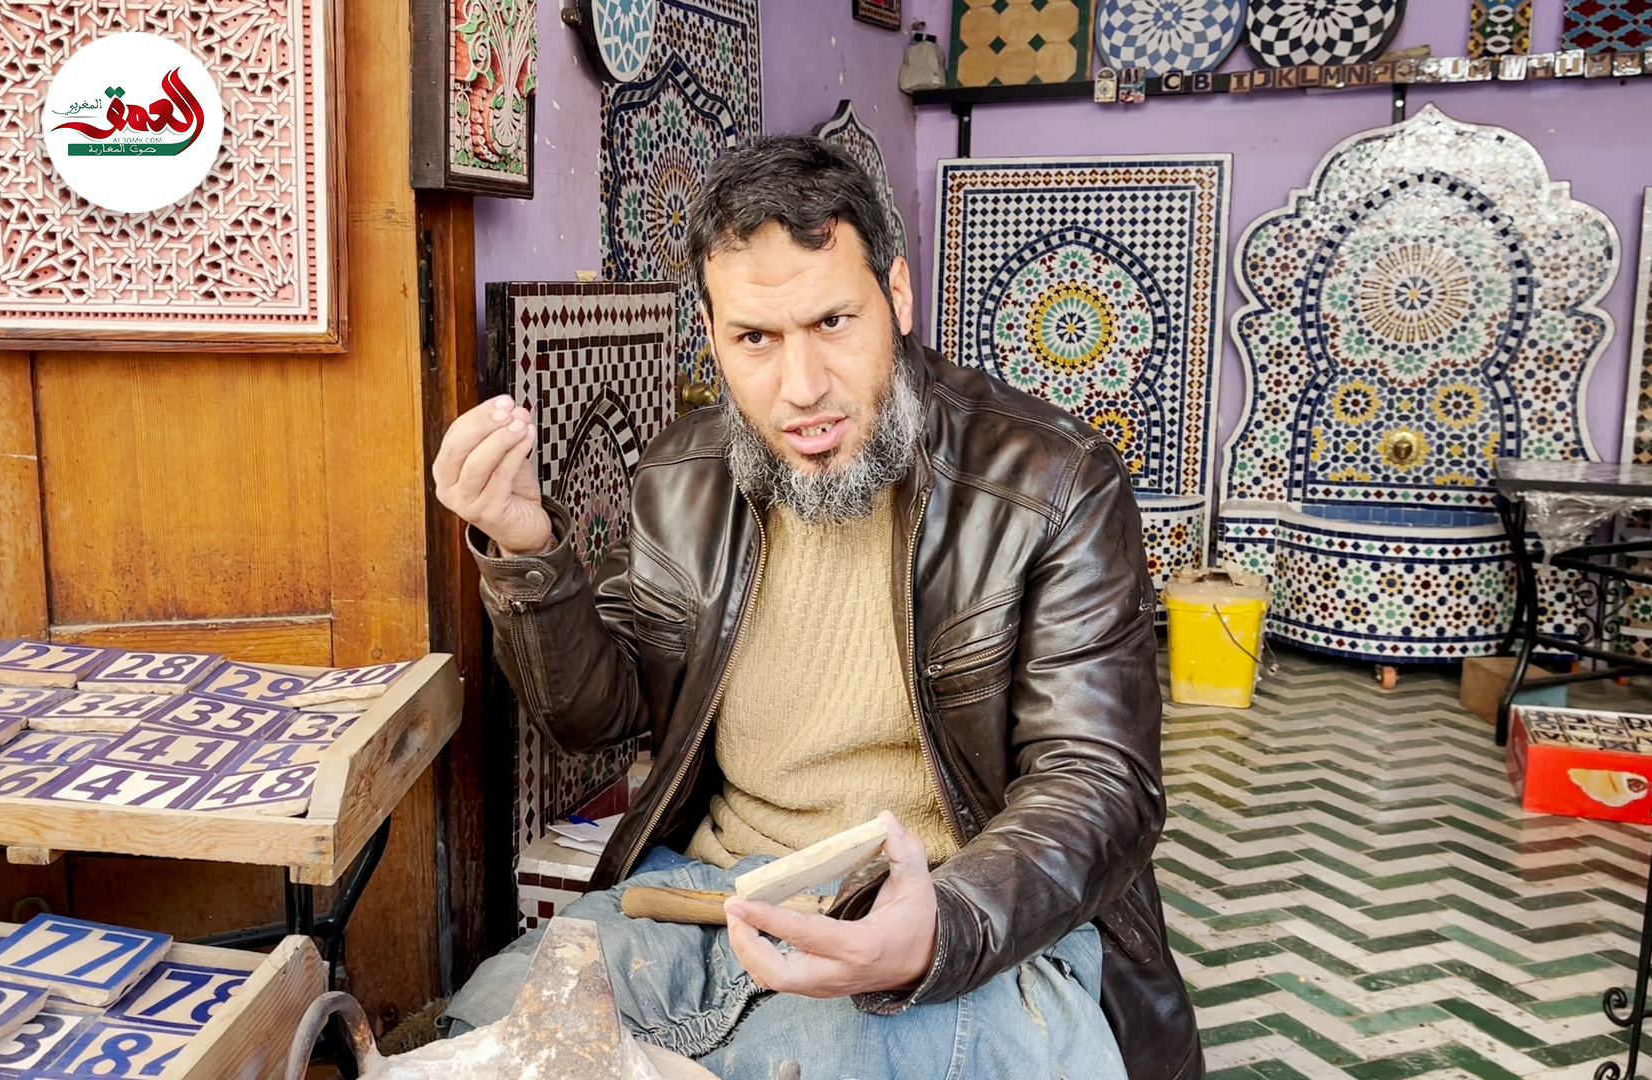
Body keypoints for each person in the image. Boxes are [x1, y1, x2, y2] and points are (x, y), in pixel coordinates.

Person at [432, 136, 1202, 1080]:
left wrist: (941, 925)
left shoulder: (1053, 482)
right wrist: (527, 551)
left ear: (898, 296)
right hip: (712, 898)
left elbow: (1099, 782)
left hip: (964, 917)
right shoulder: (682, 475)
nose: (801, 390)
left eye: (833, 321)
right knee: (490, 1032)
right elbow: (597, 719)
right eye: (755, 339)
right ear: (711, 334)